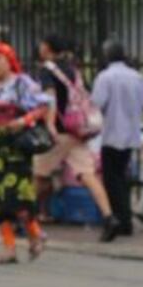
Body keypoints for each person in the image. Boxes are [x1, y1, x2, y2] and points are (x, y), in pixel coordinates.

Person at [33, 33, 119, 242]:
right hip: (77, 132)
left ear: (47, 48)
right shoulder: (73, 70)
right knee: (87, 174)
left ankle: (22, 217)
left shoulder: (47, 70)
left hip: (60, 132)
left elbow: (50, 98)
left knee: (37, 174)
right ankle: (109, 217)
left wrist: (50, 124)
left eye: (42, 45)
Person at [0, 43, 52, 264]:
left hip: (17, 146)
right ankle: (9, 247)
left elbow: (44, 106)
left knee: (17, 196)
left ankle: (35, 233)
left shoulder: (22, 83)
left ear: (10, 61)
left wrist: (23, 120)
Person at [91, 39, 143, 238]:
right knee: (123, 177)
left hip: (110, 134)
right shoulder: (137, 77)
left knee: (112, 179)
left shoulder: (105, 77)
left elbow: (96, 103)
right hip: (130, 133)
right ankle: (126, 220)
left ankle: (119, 219)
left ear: (107, 55)